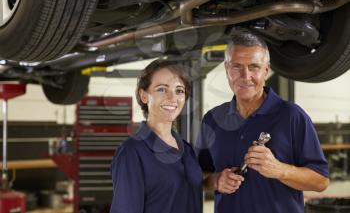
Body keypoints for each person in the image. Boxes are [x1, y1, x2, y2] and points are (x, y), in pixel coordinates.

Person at [195, 32, 329, 213]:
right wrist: (216, 180)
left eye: (254, 67)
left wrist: (279, 170)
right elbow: (197, 177)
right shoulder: (212, 119)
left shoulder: (291, 116)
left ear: (266, 70)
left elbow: (321, 181)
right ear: (227, 69)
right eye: (237, 67)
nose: (245, 76)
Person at [109, 59, 202, 213]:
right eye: (161, 89)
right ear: (144, 95)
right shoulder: (132, 153)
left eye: (179, 90)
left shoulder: (186, 149)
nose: (172, 98)